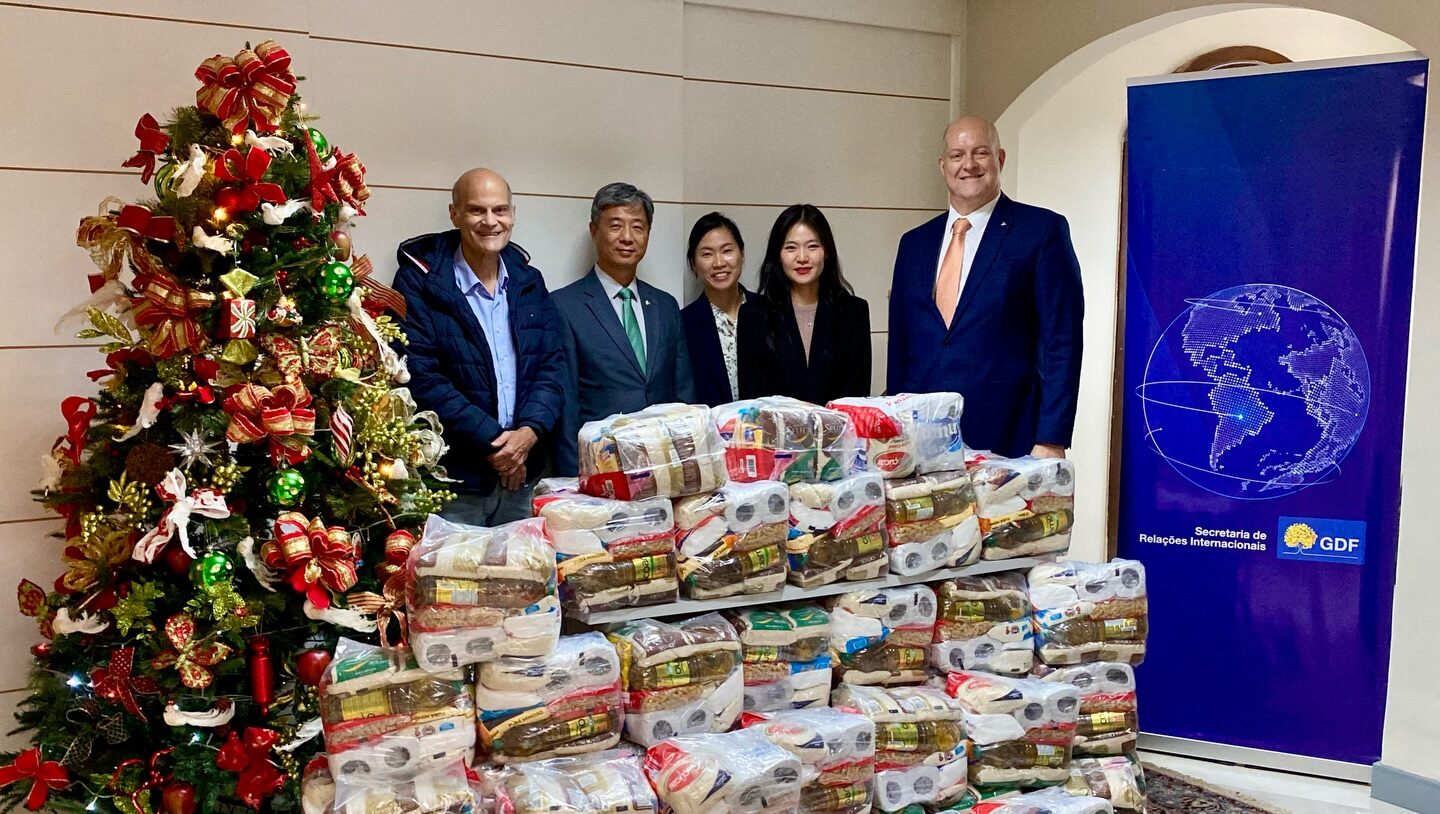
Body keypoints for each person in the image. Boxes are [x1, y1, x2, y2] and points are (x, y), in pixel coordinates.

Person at [886, 115, 1083, 459]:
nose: (969, 164)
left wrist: (1052, 438)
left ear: (999, 159)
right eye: (957, 155)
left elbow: (1062, 340)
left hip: (1010, 437)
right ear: (943, 166)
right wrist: (892, 431)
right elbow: (901, 347)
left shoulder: (1040, 231)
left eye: (981, 152)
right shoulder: (913, 244)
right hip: (921, 440)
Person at [393, 168, 567, 525]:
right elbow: (420, 376)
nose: (490, 221)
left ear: (513, 215)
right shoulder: (419, 282)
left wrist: (528, 435)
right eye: (477, 210)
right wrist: (497, 444)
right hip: (454, 481)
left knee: (521, 565)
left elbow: (552, 367)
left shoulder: (528, 281)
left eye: (500, 210)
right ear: (454, 214)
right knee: (456, 566)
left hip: (523, 476)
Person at [552, 182, 695, 474]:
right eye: (615, 226)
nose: (627, 237)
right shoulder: (564, 306)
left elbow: (683, 394)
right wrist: (573, 479)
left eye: (637, 227)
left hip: (664, 469)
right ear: (594, 230)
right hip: (601, 470)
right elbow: (566, 407)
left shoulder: (666, 306)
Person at [741, 204, 871, 404]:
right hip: (775, 424)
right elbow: (752, 400)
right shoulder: (753, 314)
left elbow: (857, 396)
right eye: (791, 248)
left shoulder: (854, 312)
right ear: (778, 255)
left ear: (826, 251)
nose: (802, 258)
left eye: (812, 246)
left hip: (839, 424)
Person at [680, 212, 765, 407]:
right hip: (710, 425)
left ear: (742, 254)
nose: (719, 263)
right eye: (707, 254)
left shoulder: (769, 312)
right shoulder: (684, 324)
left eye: (727, 251)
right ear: (693, 264)